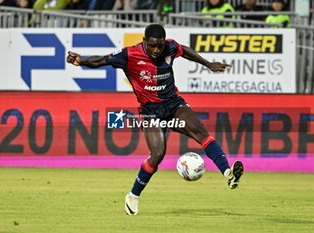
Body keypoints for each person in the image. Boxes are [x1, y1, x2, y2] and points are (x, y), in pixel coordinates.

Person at [66, 24, 244, 216]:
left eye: (159, 46)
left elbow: (185, 51)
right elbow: (102, 60)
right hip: (150, 111)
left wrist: (208, 64)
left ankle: (228, 174)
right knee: (158, 153)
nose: (157, 50)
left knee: (201, 133)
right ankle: (133, 195)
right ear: (145, 42)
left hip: (174, 105)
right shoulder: (130, 55)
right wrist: (82, 61)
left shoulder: (170, 47)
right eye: (152, 46)